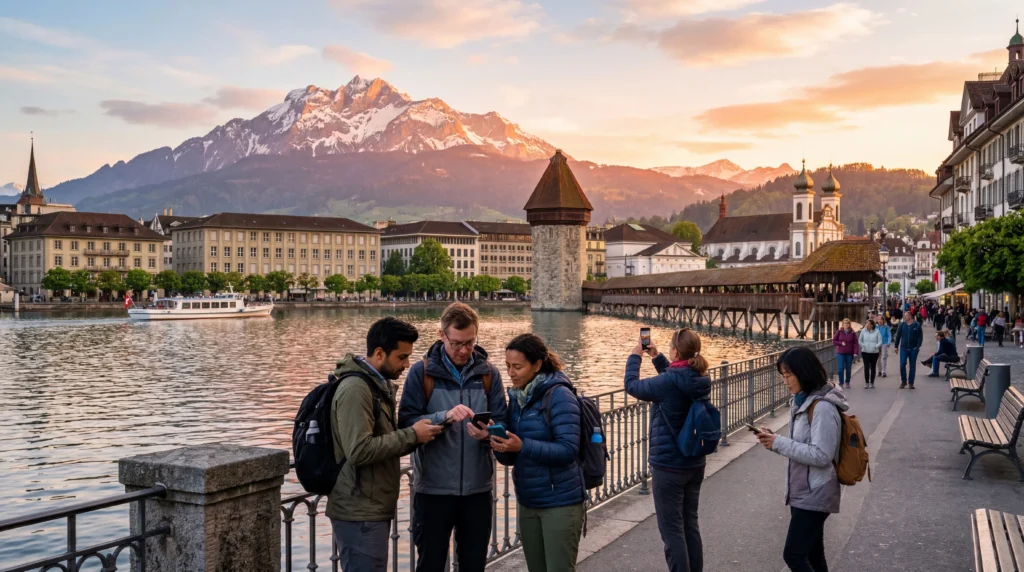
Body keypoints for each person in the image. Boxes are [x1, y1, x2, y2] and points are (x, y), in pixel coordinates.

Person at [328, 317, 444, 572]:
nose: (407, 364)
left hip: (370, 506)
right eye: (401, 357)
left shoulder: (374, 385)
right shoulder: (356, 389)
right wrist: (412, 435)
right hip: (359, 510)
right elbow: (359, 450)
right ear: (379, 353)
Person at [398, 303, 507, 572]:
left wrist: (488, 432)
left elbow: (503, 423)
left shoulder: (489, 374)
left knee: (473, 565)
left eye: (470, 342)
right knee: (430, 564)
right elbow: (405, 426)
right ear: (441, 335)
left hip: (478, 490)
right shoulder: (421, 373)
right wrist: (442, 417)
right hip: (433, 490)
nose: (463, 350)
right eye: (457, 343)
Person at [491, 333, 585, 572]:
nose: (511, 373)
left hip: (560, 502)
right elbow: (513, 457)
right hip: (528, 500)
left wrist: (523, 445)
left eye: (517, 367)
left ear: (537, 365)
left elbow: (568, 450)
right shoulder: (518, 397)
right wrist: (496, 442)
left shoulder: (559, 395)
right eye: (508, 366)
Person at [624, 328, 712, 572]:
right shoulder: (699, 376)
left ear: (676, 351)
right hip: (695, 461)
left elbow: (632, 386)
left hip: (669, 465)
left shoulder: (671, 381)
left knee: (672, 530)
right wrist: (657, 357)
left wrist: (635, 356)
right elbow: (675, 381)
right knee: (689, 524)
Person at [755, 347, 848, 572]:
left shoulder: (823, 406)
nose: (785, 381)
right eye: (783, 376)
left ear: (803, 372)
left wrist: (778, 443)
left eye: (788, 375)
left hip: (815, 490)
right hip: (804, 489)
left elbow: (821, 455)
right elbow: (805, 443)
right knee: (814, 555)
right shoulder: (802, 400)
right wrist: (774, 440)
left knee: (794, 554)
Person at [894, 311, 923, 389]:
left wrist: (917, 347)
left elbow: (920, 337)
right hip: (904, 348)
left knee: (912, 366)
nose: (905, 317)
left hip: (913, 349)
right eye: (904, 316)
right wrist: (896, 346)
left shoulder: (916, 325)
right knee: (902, 364)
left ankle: (911, 382)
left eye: (906, 316)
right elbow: (898, 336)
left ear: (910, 316)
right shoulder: (902, 325)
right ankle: (903, 381)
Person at [832, 318, 859, 389]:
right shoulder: (839, 332)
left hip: (849, 353)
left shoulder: (852, 333)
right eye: (844, 323)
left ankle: (847, 381)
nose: (846, 325)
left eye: (847, 323)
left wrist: (856, 352)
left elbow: (855, 343)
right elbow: (834, 340)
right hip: (840, 353)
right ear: (842, 324)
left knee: (848, 369)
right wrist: (840, 343)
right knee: (840, 369)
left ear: (849, 324)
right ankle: (841, 383)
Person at [858, 319, 881, 388]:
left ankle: (872, 382)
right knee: (866, 367)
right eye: (866, 323)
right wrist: (863, 346)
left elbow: (880, 341)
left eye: (869, 324)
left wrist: (875, 346)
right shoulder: (863, 331)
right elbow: (860, 340)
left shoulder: (877, 331)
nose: (867, 325)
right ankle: (866, 382)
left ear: (872, 325)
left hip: (874, 352)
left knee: (873, 367)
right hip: (865, 352)